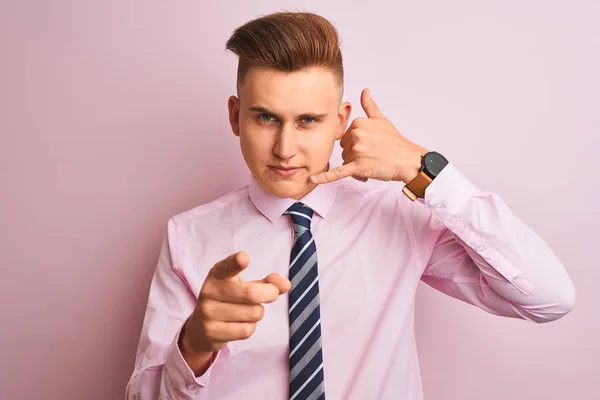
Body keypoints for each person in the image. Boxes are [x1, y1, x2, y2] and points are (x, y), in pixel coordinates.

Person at [125, 11, 576, 400]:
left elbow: (549, 298)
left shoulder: (398, 213)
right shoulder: (188, 236)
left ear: (340, 121)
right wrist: (194, 345)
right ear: (234, 116)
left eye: (307, 121)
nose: (285, 148)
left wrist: (428, 170)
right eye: (266, 118)